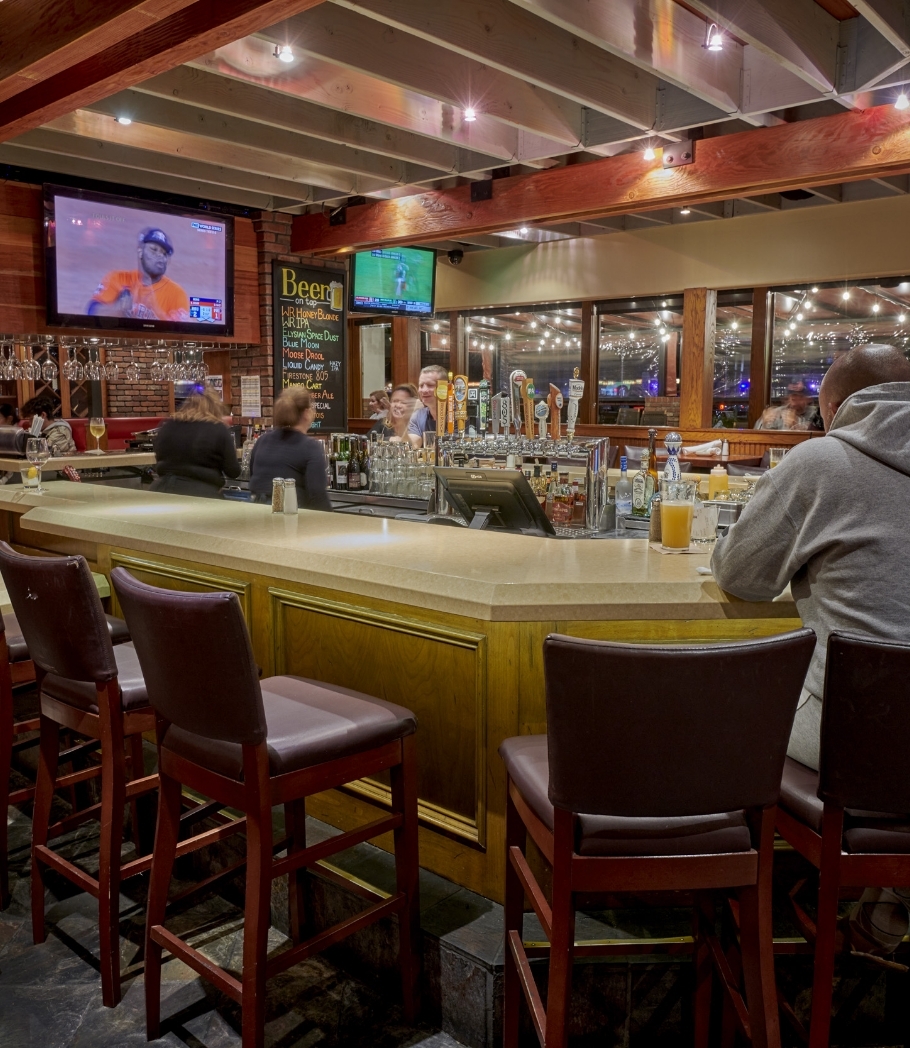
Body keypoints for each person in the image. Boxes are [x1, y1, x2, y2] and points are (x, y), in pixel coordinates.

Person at [711, 344, 910, 958]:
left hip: (859, 748)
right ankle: (884, 911)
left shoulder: (822, 461)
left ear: (832, 411)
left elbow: (742, 576)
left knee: (726, 711)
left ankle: (728, 919)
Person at [249, 388, 331, 510]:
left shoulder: (262, 440)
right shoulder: (311, 447)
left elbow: (253, 476)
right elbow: (318, 496)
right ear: (307, 413)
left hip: (256, 515)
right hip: (290, 517)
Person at [88, 227, 190, 322]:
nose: (160, 256)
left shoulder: (176, 293)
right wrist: (119, 310)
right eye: (154, 250)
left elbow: (183, 331)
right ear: (140, 252)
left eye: (164, 253)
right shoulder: (118, 279)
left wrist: (155, 310)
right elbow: (92, 311)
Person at [151, 390, 240, 498]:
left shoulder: (167, 426)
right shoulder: (218, 429)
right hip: (200, 496)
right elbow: (233, 471)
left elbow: (158, 458)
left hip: (160, 491)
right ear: (215, 406)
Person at [756, 378, 823, 431]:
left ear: (808, 399)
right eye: (793, 396)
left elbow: (820, 438)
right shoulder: (777, 412)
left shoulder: (817, 414)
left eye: (799, 396)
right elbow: (757, 433)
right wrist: (764, 423)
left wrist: (796, 426)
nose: (795, 401)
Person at [407, 365, 448, 447]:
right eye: (421, 385)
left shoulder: (459, 416)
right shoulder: (418, 416)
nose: (424, 390)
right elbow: (413, 444)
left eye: (430, 385)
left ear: (444, 387)